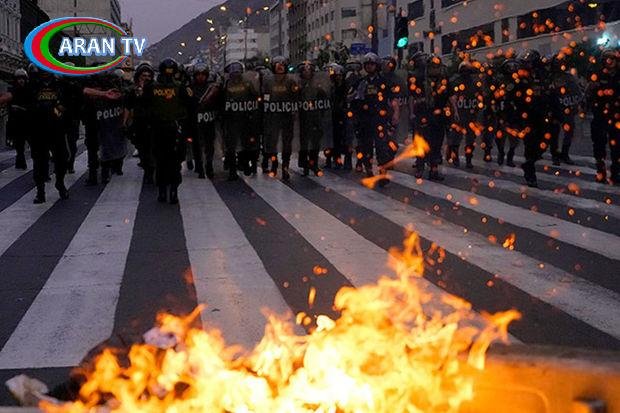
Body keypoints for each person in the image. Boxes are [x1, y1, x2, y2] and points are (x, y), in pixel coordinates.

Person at [143, 58, 192, 203]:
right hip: (170, 129)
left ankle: (164, 190)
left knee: (162, 161)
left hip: (162, 129)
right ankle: (170, 190)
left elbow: (145, 107)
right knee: (172, 162)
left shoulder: (152, 87)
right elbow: (189, 105)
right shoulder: (179, 87)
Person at [356, 52, 400, 184]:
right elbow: (353, 99)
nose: (369, 66)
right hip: (365, 119)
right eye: (367, 64)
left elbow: (393, 98)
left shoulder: (383, 81)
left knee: (382, 147)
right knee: (366, 146)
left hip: (380, 119)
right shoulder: (361, 82)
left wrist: (395, 113)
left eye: (372, 64)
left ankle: (383, 173)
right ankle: (369, 169)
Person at [409, 55, 452, 181]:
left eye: (437, 67)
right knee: (422, 142)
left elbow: (449, 97)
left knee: (436, 144)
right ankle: (420, 167)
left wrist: (452, 113)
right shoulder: (420, 79)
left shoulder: (443, 80)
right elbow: (412, 96)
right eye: (432, 67)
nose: (435, 69)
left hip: (439, 116)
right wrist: (412, 112)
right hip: (423, 114)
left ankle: (434, 169)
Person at [221, 61, 261, 181]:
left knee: (245, 144)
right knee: (232, 146)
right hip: (232, 119)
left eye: (237, 72)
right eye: (234, 73)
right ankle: (233, 170)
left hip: (245, 118)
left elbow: (255, 97)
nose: (236, 75)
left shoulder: (247, 83)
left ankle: (245, 164)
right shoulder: (226, 84)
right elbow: (222, 99)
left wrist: (253, 110)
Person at [517, 50, 550, 187]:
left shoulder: (542, 76)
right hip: (527, 117)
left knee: (544, 143)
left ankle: (529, 162)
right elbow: (516, 98)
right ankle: (530, 173)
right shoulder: (520, 78)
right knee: (530, 145)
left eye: (530, 62)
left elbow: (549, 94)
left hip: (541, 115)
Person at [586, 48, 619, 184]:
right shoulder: (598, 76)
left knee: (617, 146)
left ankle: (616, 172)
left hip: (616, 115)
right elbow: (589, 93)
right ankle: (601, 171)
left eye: (612, 59)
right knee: (599, 145)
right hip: (600, 115)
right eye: (607, 59)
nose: (610, 62)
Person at [262, 56, 298, 179]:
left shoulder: (291, 81)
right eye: (277, 67)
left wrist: (294, 111)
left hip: (287, 117)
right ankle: (274, 163)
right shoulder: (268, 81)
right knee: (272, 142)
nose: (280, 68)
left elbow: (296, 96)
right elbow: (264, 96)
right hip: (273, 117)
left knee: (287, 143)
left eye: (282, 66)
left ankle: (285, 166)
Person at [447, 60, 485, 169]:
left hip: (471, 114)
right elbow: (452, 98)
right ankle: (455, 157)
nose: (466, 73)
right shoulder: (455, 81)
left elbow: (480, 97)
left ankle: (468, 159)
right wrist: (454, 112)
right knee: (456, 137)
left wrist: (479, 110)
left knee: (470, 139)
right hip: (459, 114)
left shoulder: (475, 82)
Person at [547, 54, 583, 166]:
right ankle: (555, 155)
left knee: (569, 132)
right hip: (555, 109)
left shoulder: (569, 77)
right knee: (554, 133)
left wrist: (578, 103)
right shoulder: (550, 78)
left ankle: (565, 154)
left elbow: (577, 91)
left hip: (568, 108)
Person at [297, 61, 331, 177]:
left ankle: (314, 163)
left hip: (315, 117)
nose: (307, 73)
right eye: (304, 71)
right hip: (303, 118)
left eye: (309, 71)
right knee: (304, 143)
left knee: (315, 142)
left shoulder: (317, 84)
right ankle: (304, 164)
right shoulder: (298, 84)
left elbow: (325, 98)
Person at [188, 63, 221, 179]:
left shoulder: (211, 88)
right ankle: (199, 166)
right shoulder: (190, 88)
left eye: (203, 74)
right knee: (197, 145)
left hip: (209, 120)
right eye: (198, 74)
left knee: (209, 145)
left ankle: (209, 164)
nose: (201, 76)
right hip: (195, 122)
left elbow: (218, 102)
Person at [125, 61, 155, 184]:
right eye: (143, 76)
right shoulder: (132, 90)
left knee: (152, 148)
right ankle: (146, 167)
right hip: (139, 123)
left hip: (153, 123)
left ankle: (151, 171)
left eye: (148, 76)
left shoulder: (155, 89)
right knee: (142, 148)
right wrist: (124, 123)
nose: (146, 78)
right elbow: (127, 106)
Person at [494, 58, 522, 167]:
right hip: (502, 112)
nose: (512, 69)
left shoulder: (519, 81)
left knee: (514, 138)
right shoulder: (500, 81)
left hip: (514, 113)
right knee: (500, 137)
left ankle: (510, 156)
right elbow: (494, 96)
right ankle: (501, 153)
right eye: (510, 67)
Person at [6, 69, 31, 170]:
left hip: (27, 121)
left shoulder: (29, 90)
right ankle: (20, 160)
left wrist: (21, 108)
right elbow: (9, 105)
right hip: (16, 121)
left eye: (22, 78)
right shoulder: (12, 90)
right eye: (18, 78)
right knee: (19, 144)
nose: (21, 80)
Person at [326, 63, 347, 169]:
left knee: (338, 138)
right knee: (328, 139)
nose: (338, 77)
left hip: (339, 115)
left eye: (340, 75)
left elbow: (345, 99)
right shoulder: (329, 86)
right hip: (329, 115)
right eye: (336, 76)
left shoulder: (344, 86)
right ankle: (328, 159)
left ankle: (337, 159)